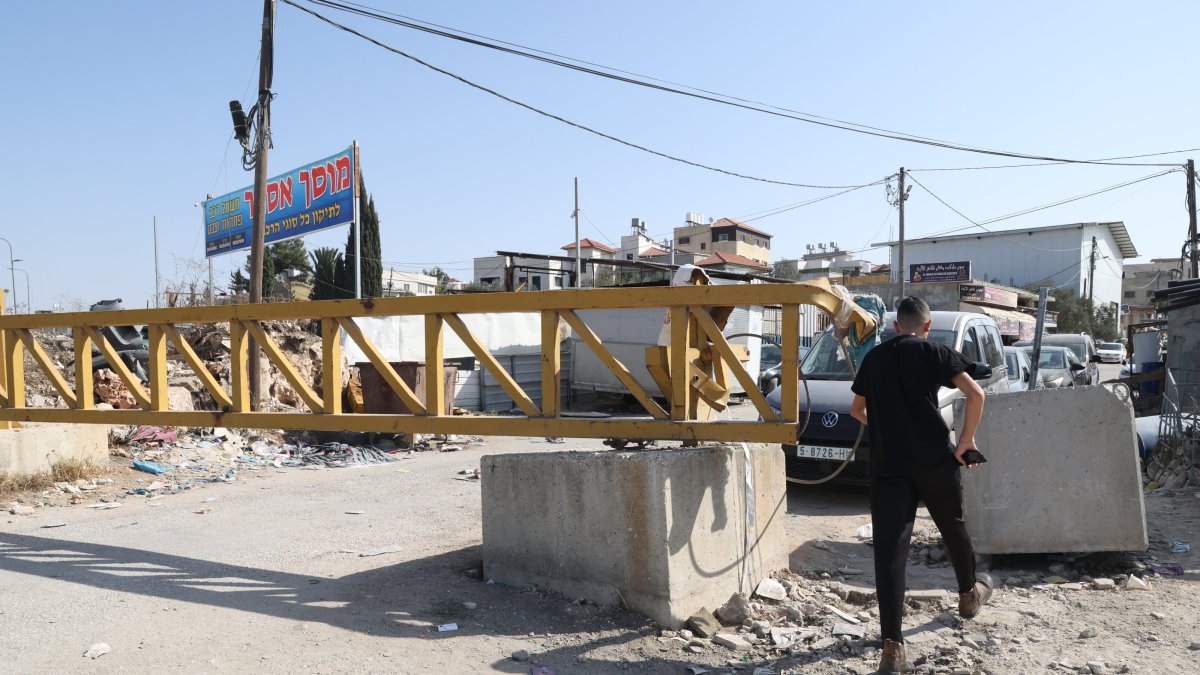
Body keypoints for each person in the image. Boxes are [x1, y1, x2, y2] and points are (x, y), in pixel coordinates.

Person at [849, 297, 993, 674]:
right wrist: (966, 442)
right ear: (927, 326)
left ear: (896, 326)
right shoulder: (935, 351)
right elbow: (976, 394)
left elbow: (856, 410)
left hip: (888, 467)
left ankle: (892, 648)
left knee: (890, 552)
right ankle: (968, 596)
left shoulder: (874, 358)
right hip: (933, 462)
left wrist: (886, 425)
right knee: (952, 528)